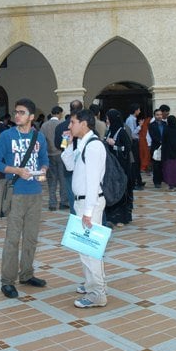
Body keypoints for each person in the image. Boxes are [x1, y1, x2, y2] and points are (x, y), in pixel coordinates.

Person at [0, 98, 49, 299]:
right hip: (15, 192)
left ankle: (26, 274)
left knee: (31, 237)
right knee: (13, 239)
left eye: (22, 112)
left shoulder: (39, 137)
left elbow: (44, 160)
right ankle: (7, 281)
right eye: (16, 112)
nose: (17, 115)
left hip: (35, 192)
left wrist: (42, 170)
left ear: (31, 117)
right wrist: (16, 170)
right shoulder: (7, 136)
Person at [60, 109, 107, 308]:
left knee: (89, 250)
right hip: (83, 202)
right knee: (85, 248)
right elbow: (69, 164)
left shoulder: (94, 146)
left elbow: (93, 181)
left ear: (84, 124)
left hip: (90, 202)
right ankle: (93, 284)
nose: (69, 126)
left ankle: (97, 293)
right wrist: (68, 143)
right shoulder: (83, 144)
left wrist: (88, 212)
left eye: (72, 122)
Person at [103, 109, 132, 227]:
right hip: (111, 167)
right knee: (111, 190)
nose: (107, 120)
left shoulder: (122, 132)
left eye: (108, 118)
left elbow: (127, 148)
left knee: (121, 190)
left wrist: (114, 145)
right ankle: (110, 217)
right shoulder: (109, 131)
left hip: (121, 167)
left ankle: (121, 218)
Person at [54, 99, 83, 214]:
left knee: (71, 193)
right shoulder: (85, 125)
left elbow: (57, 144)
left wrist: (65, 146)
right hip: (82, 163)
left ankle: (74, 217)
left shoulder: (61, 126)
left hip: (68, 162)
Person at [39, 106, 66, 211]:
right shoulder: (62, 124)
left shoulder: (44, 125)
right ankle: (64, 202)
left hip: (48, 155)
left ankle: (52, 203)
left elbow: (41, 140)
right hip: (60, 153)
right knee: (62, 179)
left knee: (52, 180)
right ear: (59, 113)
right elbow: (65, 140)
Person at [161, 115, 176, 191]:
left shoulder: (166, 130)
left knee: (169, 169)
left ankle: (171, 185)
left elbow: (164, 142)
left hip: (168, 153)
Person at [125, 103, 144, 190]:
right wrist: (140, 126)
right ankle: (136, 181)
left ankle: (138, 180)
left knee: (137, 162)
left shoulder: (132, 119)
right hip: (133, 143)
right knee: (135, 162)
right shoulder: (131, 120)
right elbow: (132, 133)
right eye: (138, 109)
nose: (139, 111)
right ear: (135, 110)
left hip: (134, 142)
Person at [148, 108, 164, 188]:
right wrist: (160, 141)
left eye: (160, 114)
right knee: (156, 165)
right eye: (157, 115)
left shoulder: (165, 124)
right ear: (154, 116)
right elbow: (153, 136)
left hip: (164, 147)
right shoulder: (151, 125)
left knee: (163, 165)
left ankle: (162, 179)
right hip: (156, 147)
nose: (159, 116)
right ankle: (156, 181)